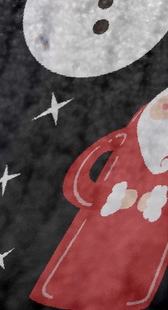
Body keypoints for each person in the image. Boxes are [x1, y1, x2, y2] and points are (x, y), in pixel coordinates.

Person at [33, 84, 168, 310]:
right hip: (89, 245)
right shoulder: (128, 138)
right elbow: (79, 176)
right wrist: (97, 197)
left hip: (137, 266)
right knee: (74, 275)